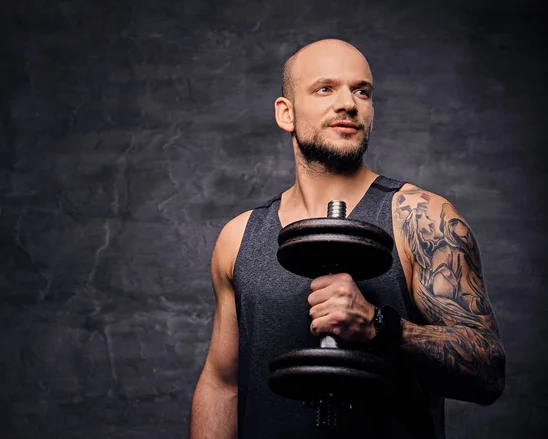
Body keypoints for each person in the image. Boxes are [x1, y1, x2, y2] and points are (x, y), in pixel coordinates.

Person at [189, 39, 506, 439]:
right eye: (325, 89)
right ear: (286, 113)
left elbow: (488, 372)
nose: (348, 104)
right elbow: (222, 386)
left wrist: (380, 326)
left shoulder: (422, 218)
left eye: (362, 91)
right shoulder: (238, 238)